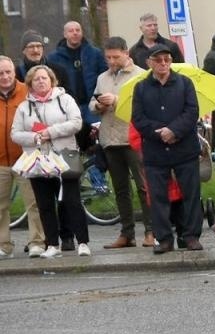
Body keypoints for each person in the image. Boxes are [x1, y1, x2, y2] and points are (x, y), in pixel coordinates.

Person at [9, 64, 88, 257]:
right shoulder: (24, 107)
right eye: (36, 79)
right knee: (44, 204)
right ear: (30, 84)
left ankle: (83, 242)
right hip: (37, 160)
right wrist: (35, 138)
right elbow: (15, 134)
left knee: (72, 201)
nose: (41, 81)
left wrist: (50, 132)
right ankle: (52, 244)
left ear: (51, 80)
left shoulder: (65, 99)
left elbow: (76, 122)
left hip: (64, 157)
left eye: (44, 78)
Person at [131, 46, 203, 252]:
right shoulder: (141, 88)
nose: (163, 63)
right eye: (158, 60)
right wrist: (159, 133)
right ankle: (164, 238)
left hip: (184, 148)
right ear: (149, 63)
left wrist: (173, 130)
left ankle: (190, 236)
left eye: (166, 59)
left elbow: (191, 112)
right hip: (155, 150)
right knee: (157, 196)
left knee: (190, 194)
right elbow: (138, 118)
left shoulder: (184, 83)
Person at [92, 39, 150, 248]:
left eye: (115, 57)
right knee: (120, 189)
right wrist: (98, 105)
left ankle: (151, 231)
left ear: (126, 53)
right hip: (110, 138)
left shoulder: (141, 75)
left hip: (132, 137)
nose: (111, 61)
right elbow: (92, 102)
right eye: (108, 57)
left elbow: (146, 103)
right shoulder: (102, 77)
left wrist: (116, 101)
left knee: (144, 187)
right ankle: (127, 233)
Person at [0, 56, 45, 257]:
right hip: (0, 161)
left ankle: (37, 242)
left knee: (34, 203)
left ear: (14, 72)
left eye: (8, 72)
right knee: (0, 206)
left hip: (26, 158)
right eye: (0, 73)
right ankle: (4, 245)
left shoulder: (28, 93)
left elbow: (40, 120)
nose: (5, 76)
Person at [46, 20, 107, 148]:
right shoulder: (53, 58)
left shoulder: (95, 53)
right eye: (71, 31)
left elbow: (104, 76)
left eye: (77, 30)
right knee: (74, 141)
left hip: (92, 104)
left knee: (97, 140)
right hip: (68, 106)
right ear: (65, 34)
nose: (75, 33)